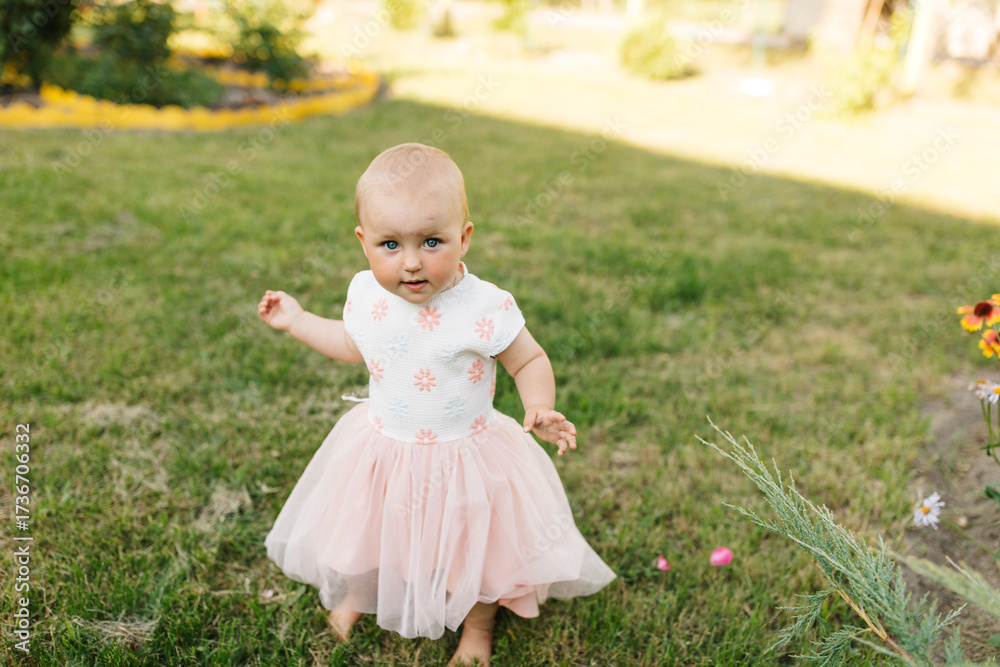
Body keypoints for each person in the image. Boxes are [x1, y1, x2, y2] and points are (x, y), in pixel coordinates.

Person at [257, 143, 615, 665]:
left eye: (431, 242)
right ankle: (359, 593)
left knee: (478, 550)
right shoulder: (367, 294)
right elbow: (353, 344)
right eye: (389, 245)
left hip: (466, 456)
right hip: (385, 449)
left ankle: (478, 629)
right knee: (371, 530)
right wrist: (298, 321)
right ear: (363, 243)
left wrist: (538, 405)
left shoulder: (483, 306)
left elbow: (529, 358)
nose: (411, 262)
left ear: (463, 237)